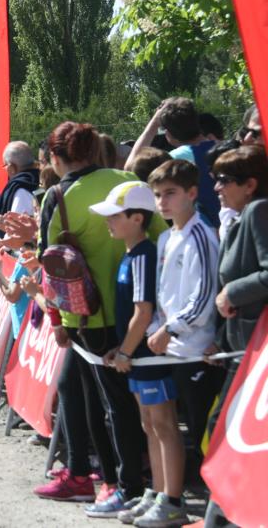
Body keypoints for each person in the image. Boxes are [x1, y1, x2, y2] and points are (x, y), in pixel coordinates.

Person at [35, 122, 166, 515]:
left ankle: (118, 484)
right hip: (140, 312)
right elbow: (159, 236)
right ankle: (132, 482)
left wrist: (56, 320)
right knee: (137, 408)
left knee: (106, 407)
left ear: (56, 158)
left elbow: (50, 266)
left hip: (89, 318)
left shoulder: (57, 196)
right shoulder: (127, 180)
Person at [89, 181, 188, 526]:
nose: (108, 223)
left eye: (114, 217)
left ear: (136, 218)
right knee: (150, 425)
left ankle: (172, 500)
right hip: (138, 357)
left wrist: (126, 352)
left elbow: (143, 312)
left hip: (148, 358)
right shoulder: (131, 255)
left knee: (163, 425)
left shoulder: (144, 254)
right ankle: (158, 494)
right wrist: (122, 349)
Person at [203, 145, 268, 528]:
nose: (216, 187)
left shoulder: (260, 211)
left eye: (224, 180)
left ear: (250, 184)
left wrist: (232, 292)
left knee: (227, 431)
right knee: (221, 428)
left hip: (256, 352)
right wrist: (219, 339)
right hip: (239, 346)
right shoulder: (241, 215)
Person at [146, 160, 222, 468]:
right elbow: (164, 293)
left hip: (196, 350)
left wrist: (170, 329)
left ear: (191, 193)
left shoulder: (202, 235)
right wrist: (157, 326)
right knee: (183, 428)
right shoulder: (166, 237)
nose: (162, 201)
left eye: (170, 193)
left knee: (203, 429)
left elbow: (204, 296)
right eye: (157, 194)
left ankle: (215, 510)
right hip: (172, 349)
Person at [128, 98, 219, 227]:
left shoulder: (176, 159)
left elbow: (131, 167)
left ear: (169, 133)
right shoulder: (221, 147)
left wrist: (154, 123)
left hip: (201, 226)